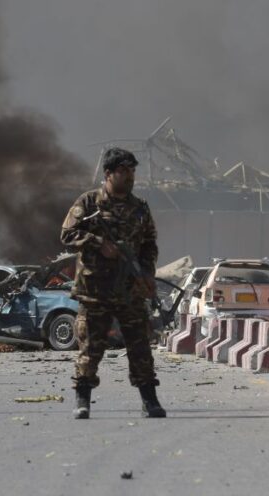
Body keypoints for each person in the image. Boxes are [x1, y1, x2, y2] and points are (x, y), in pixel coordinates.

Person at [61, 147, 164, 419]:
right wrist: (97, 244)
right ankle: (82, 399)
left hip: (130, 290)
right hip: (95, 289)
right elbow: (67, 234)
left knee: (140, 346)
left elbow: (149, 244)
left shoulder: (140, 209)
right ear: (108, 174)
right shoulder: (89, 203)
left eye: (132, 171)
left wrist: (147, 274)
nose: (129, 177)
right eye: (123, 171)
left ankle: (149, 400)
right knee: (90, 347)